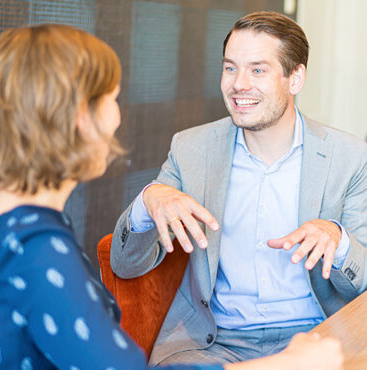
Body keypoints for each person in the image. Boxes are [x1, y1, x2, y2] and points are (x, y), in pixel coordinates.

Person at [0, 23, 344, 370]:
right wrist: (288, 365)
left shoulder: (21, 234)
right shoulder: (39, 251)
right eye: (112, 99)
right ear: (80, 119)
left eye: (257, 69)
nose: (118, 118)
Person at [111, 10, 367, 367]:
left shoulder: (350, 157)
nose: (238, 84)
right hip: (212, 344)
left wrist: (337, 240)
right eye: (230, 68)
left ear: (295, 78)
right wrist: (147, 200)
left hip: (317, 335)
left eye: (257, 70)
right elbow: (124, 265)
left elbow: (362, 279)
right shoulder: (191, 149)